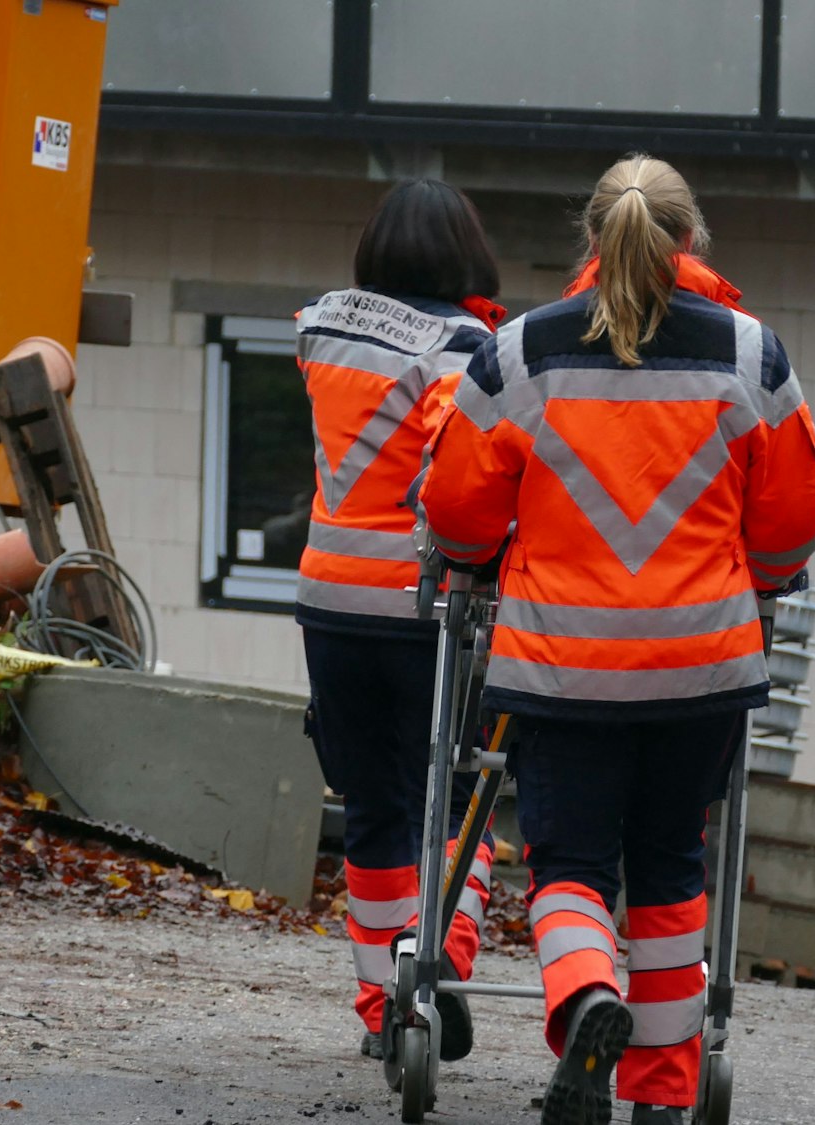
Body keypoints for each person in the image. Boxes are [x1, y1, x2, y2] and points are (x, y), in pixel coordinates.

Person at [419, 154, 815, 1125]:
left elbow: (458, 507)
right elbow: (794, 513)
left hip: (560, 673)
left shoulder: (519, 352)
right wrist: (756, 580)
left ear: (588, 242)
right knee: (670, 873)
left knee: (566, 865)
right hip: (701, 670)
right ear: (687, 244)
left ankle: (585, 999)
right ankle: (661, 1090)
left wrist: (480, 557)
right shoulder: (749, 353)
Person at [295, 178, 507, 1065]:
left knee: (374, 809)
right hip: (425, 609)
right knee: (460, 797)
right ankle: (440, 955)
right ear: (467, 253)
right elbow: (451, 474)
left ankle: (384, 1004)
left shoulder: (320, 325)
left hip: (328, 602)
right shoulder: (461, 344)